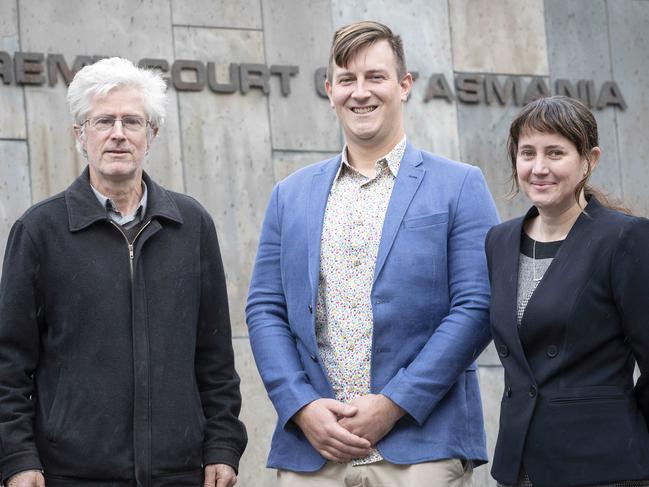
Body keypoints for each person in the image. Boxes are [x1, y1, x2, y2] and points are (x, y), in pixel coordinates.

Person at [246, 20, 499, 487]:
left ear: (404, 86)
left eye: (375, 77)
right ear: (329, 90)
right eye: (347, 79)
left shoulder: (460, 185)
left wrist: (394, 403)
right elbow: (265, 309)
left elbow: (478, 306)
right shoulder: (290, 195)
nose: (360, 93)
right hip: (313, 454)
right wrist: (300, 406)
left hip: (422, 448)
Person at [0, 57, 247, 487]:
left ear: (151, 135)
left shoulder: (191, 225)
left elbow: (215, 357)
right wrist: (18, 457)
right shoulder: (39, 231)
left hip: (180, 474)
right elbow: (9, 361)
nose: (118, 134)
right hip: (70, 476)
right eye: (103, 121)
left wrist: (223, 445)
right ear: (80, 134)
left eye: (132, 121)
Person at [486, 95, 649, 487]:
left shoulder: (624, 237)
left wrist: (624, 427)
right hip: (520, 465)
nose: (539, 168)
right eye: (528, 153)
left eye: (555, 153)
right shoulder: (499, 240)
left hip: (603, 465)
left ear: (589, 160)